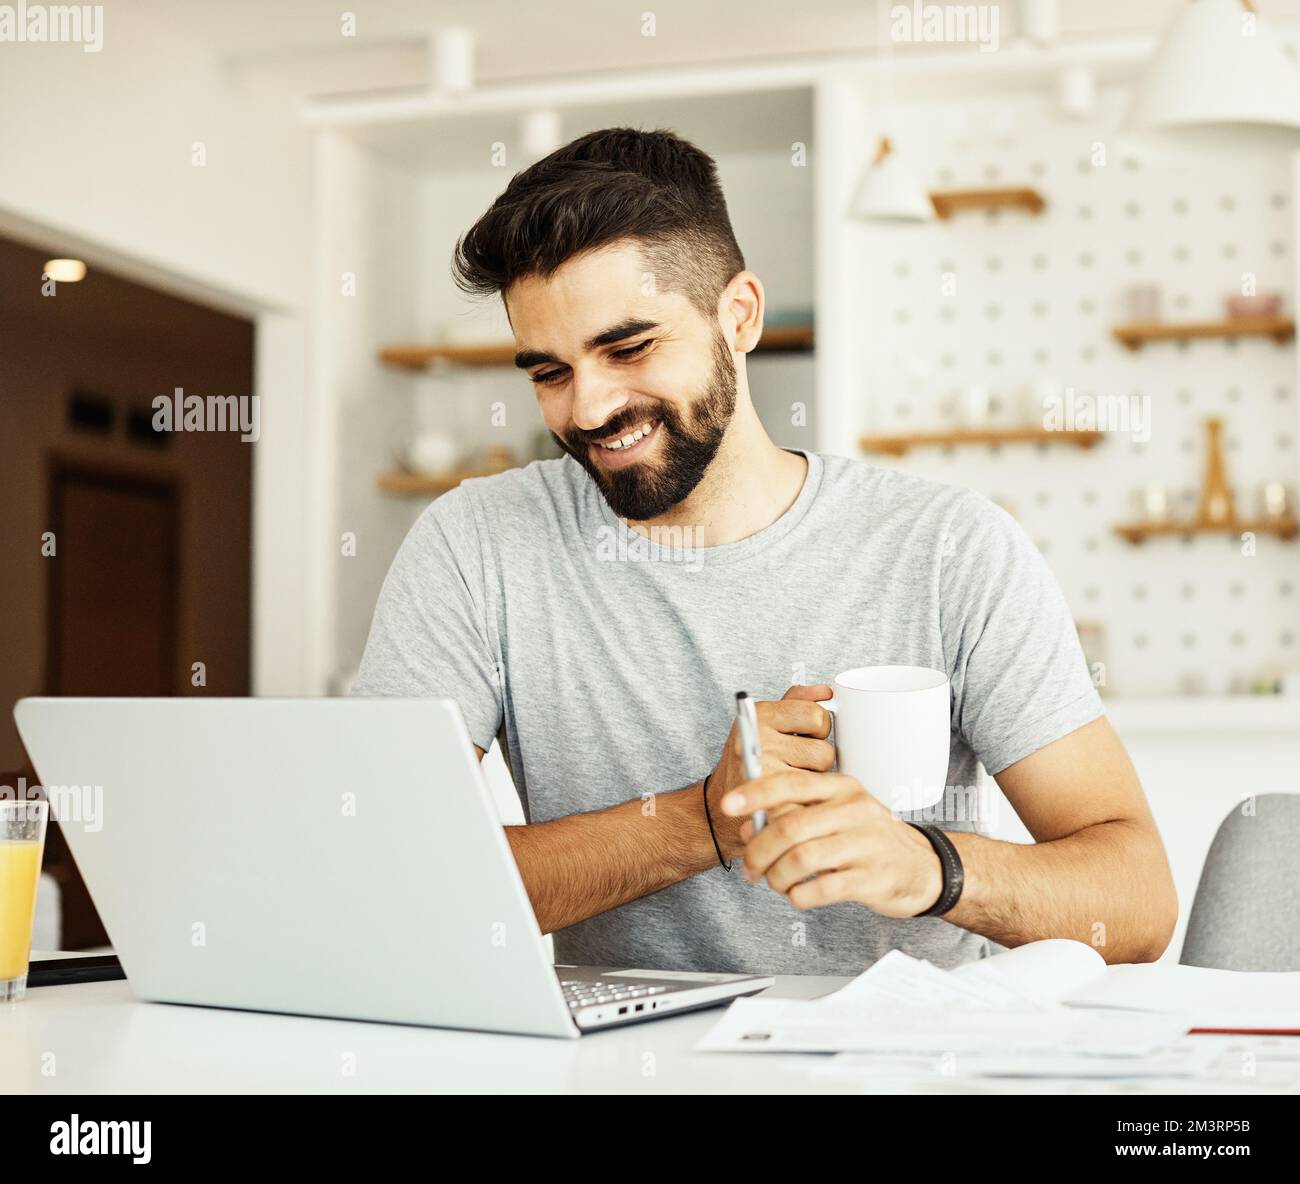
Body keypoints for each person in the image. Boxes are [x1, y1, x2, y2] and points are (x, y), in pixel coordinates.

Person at [351, 127, 1176, 976]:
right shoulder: (474, 547)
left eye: (627, 348)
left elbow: (1138, 901)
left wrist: (928, 867)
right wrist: (702, 821)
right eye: (548, 371)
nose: (589, 407)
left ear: (738, 315)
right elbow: (387, 881)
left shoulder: (949, 548)